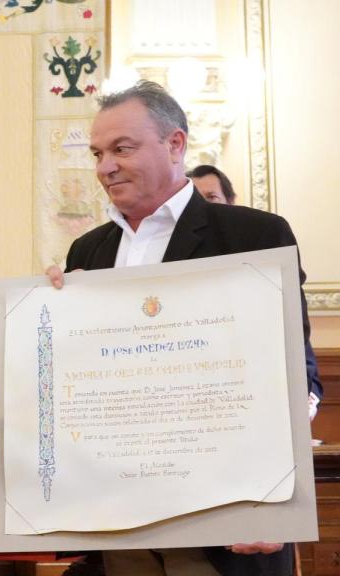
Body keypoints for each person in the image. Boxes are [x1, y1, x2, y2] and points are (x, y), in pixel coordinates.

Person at [47, 80, 314, 576]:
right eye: (98, 153)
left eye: (121, 149)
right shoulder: (88, 252)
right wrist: (50, 315)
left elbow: (293, 374)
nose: (105, 167)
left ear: (175, 144)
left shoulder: (253, 235)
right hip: (121, 523)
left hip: (224, 521)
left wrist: (272, 499)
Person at [186, 164, 324, 418]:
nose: (203, 210)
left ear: (231, 201)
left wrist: (304, 399)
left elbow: (297, 349)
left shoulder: (261, 254)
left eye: (212, 198)